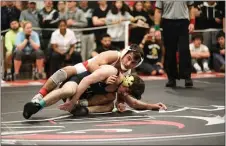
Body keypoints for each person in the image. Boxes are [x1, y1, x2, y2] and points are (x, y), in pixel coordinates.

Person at [23, 65, 167, 119]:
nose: (125, 94)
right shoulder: (111, 72)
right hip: (79, 82)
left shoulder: (121, 89)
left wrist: (153, 106)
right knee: (67, 90)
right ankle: (37, 105)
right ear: (128, 83)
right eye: (127, 91)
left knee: (110, 104)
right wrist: (73, 99)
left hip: (83, 97)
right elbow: (86, 81)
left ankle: (83, 108)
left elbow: (134, 103)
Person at [30, 44, 144, 104]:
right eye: (128, 58)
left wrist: (120, 102)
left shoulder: (128, 72)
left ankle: (81, 104)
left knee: (110, 97)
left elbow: (120, 90)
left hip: (94, 83)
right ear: (125, 53)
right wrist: (105, 79)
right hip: (85, 70)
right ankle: (40, 95)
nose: (129, 63)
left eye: (133, 63)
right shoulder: (114, 55)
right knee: (66, 71)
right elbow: (92, 66)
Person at [154, 1, 195, 87]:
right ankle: (171, 78)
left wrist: (192, 22)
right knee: (170, 51)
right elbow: (158, 11)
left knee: (184, 50)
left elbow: (191, 8)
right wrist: (157, 28)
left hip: (183, 23)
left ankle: (187, 77)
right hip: (168, 23)